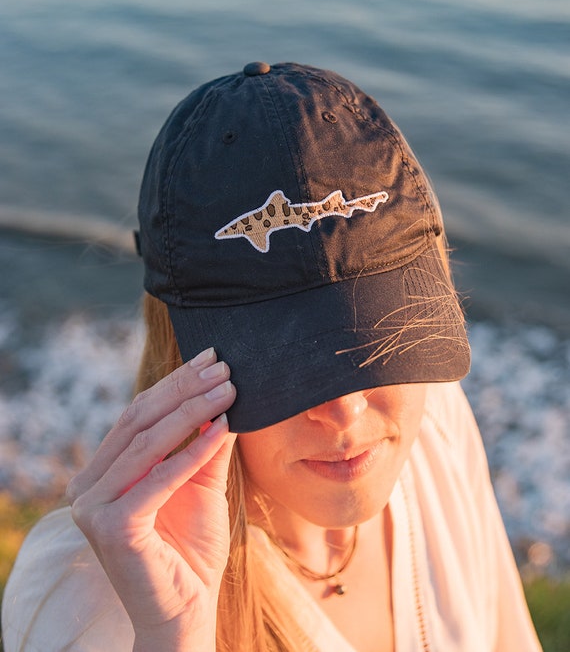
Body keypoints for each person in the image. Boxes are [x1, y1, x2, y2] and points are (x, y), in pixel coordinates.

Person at [2, 62, 542, 652]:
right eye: (289, 363)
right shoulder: (82, 599)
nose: (345, 410)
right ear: (182, 354)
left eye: (381, 341)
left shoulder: (437, 426)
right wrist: (172, 634)